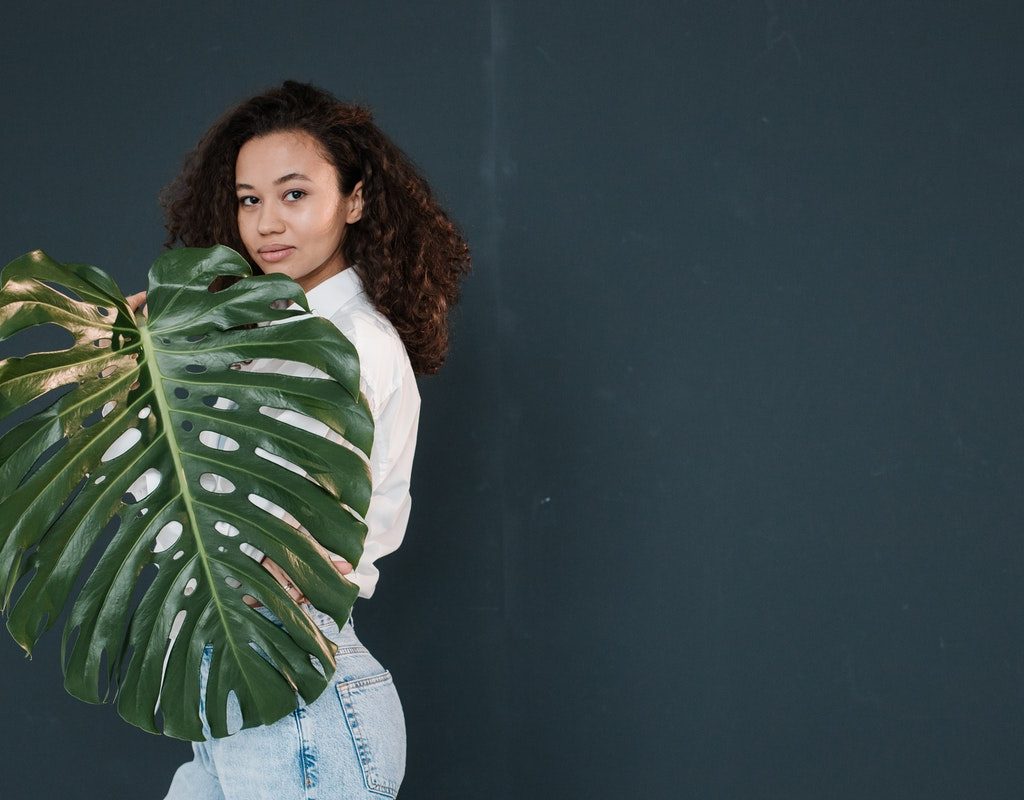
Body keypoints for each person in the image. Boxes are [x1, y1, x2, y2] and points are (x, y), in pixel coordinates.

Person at [128, 79, 470, 799]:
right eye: (249, 199)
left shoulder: (354, 344)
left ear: (354, 200)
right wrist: (141, 365)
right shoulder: (259, 339)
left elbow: (294, 546)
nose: (266, 223)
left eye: (293, 194)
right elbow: (177, 512)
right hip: (236, 680)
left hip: (296, 689)